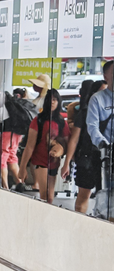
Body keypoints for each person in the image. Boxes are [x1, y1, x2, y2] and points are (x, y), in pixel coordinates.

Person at [61, 80, 106, 213]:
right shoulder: (84, 113)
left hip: (105, 159)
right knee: (83, 195)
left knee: (105, 196)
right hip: (87, 159)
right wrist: (67, 163)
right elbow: (74, 140)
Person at [18, 89, 69, 204]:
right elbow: (29, 146)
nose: (52, 102)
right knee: (44, 195)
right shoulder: (38, 120)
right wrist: (22, 167)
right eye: (50, 100)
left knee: (50, 198)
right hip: (40, 161)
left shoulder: (61, 122)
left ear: (58, 102)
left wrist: (67, 163)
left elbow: (68, 143)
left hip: (54, 161)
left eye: (55, 100)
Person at [87, 61, 114, 151]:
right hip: (106, 154)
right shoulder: (97, 99)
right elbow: (92, 126)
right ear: (105, 77)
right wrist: (104, 145)